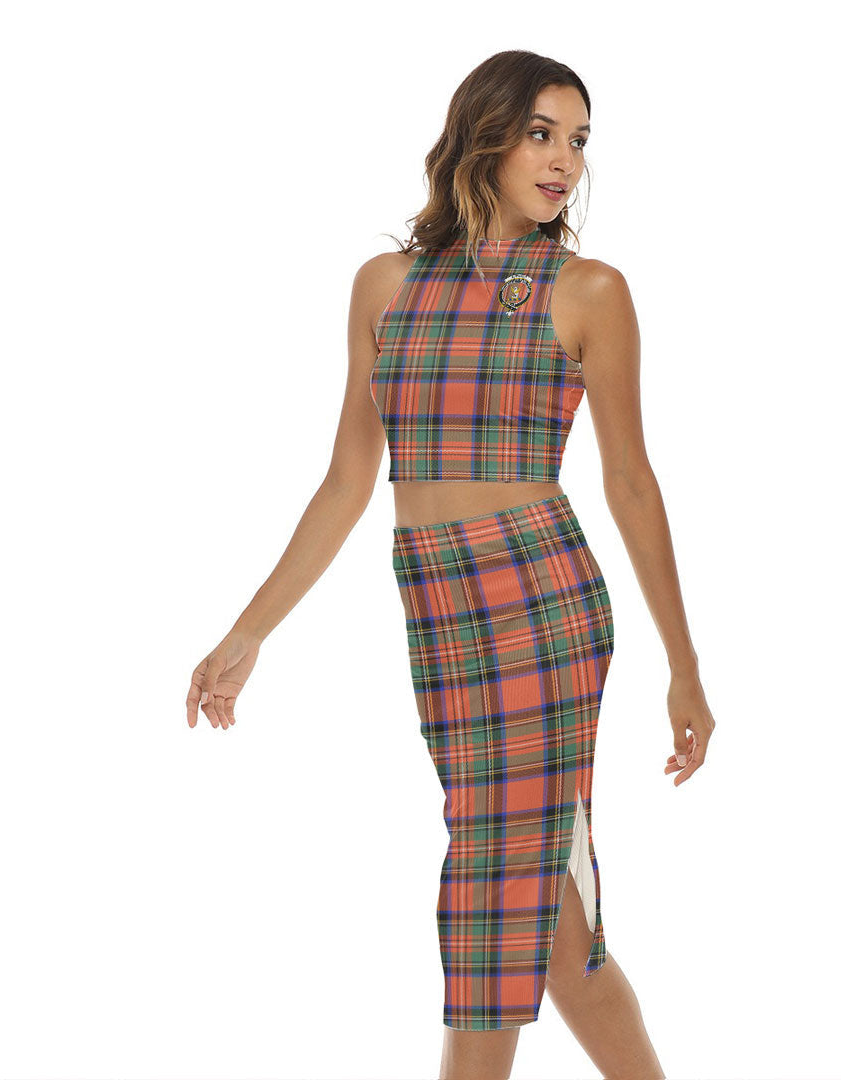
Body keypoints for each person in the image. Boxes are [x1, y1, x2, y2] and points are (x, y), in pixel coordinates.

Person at [186, 49, 715, 1080]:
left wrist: (683, 666)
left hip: (540, 604)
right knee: (547, 924)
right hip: (437, 609)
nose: (564, 162)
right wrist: (248, 632)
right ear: (484, 135)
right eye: (541, 134)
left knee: (488, 897)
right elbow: (348, 481)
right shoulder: (386, 285)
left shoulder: (589, 291)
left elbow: (632, 483)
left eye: (579, 141)